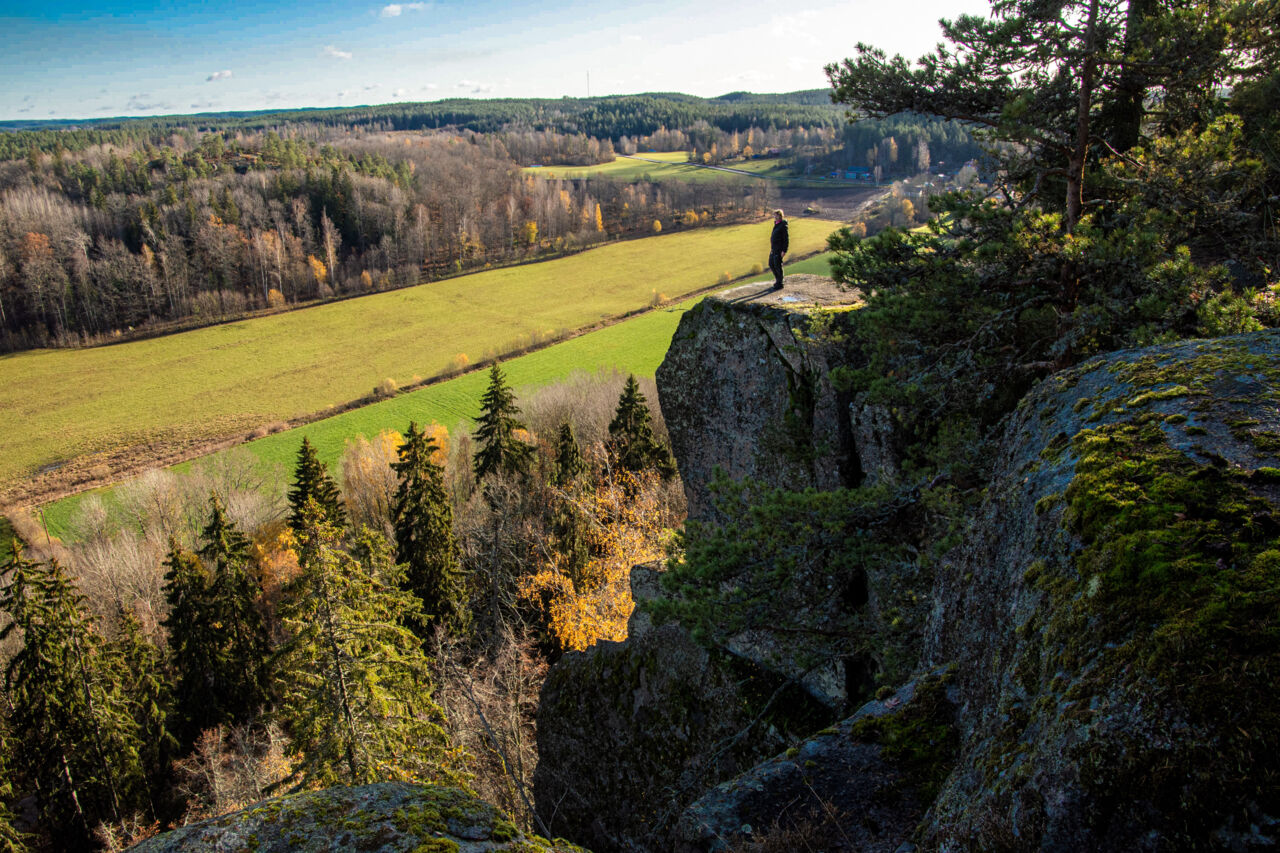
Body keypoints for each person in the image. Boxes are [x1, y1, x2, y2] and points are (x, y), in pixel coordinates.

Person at [768, 209, 789, 289]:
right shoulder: (776, 224)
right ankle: (777, 280)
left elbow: (786, 239)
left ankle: (780, 283)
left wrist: (784, 250)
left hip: (779, 249)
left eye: (776, 215)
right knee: (771, 264)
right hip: (774, 249)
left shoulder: (783, 225)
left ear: (780, 216)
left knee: (777, 265)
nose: (775, 217)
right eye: (774, 215)